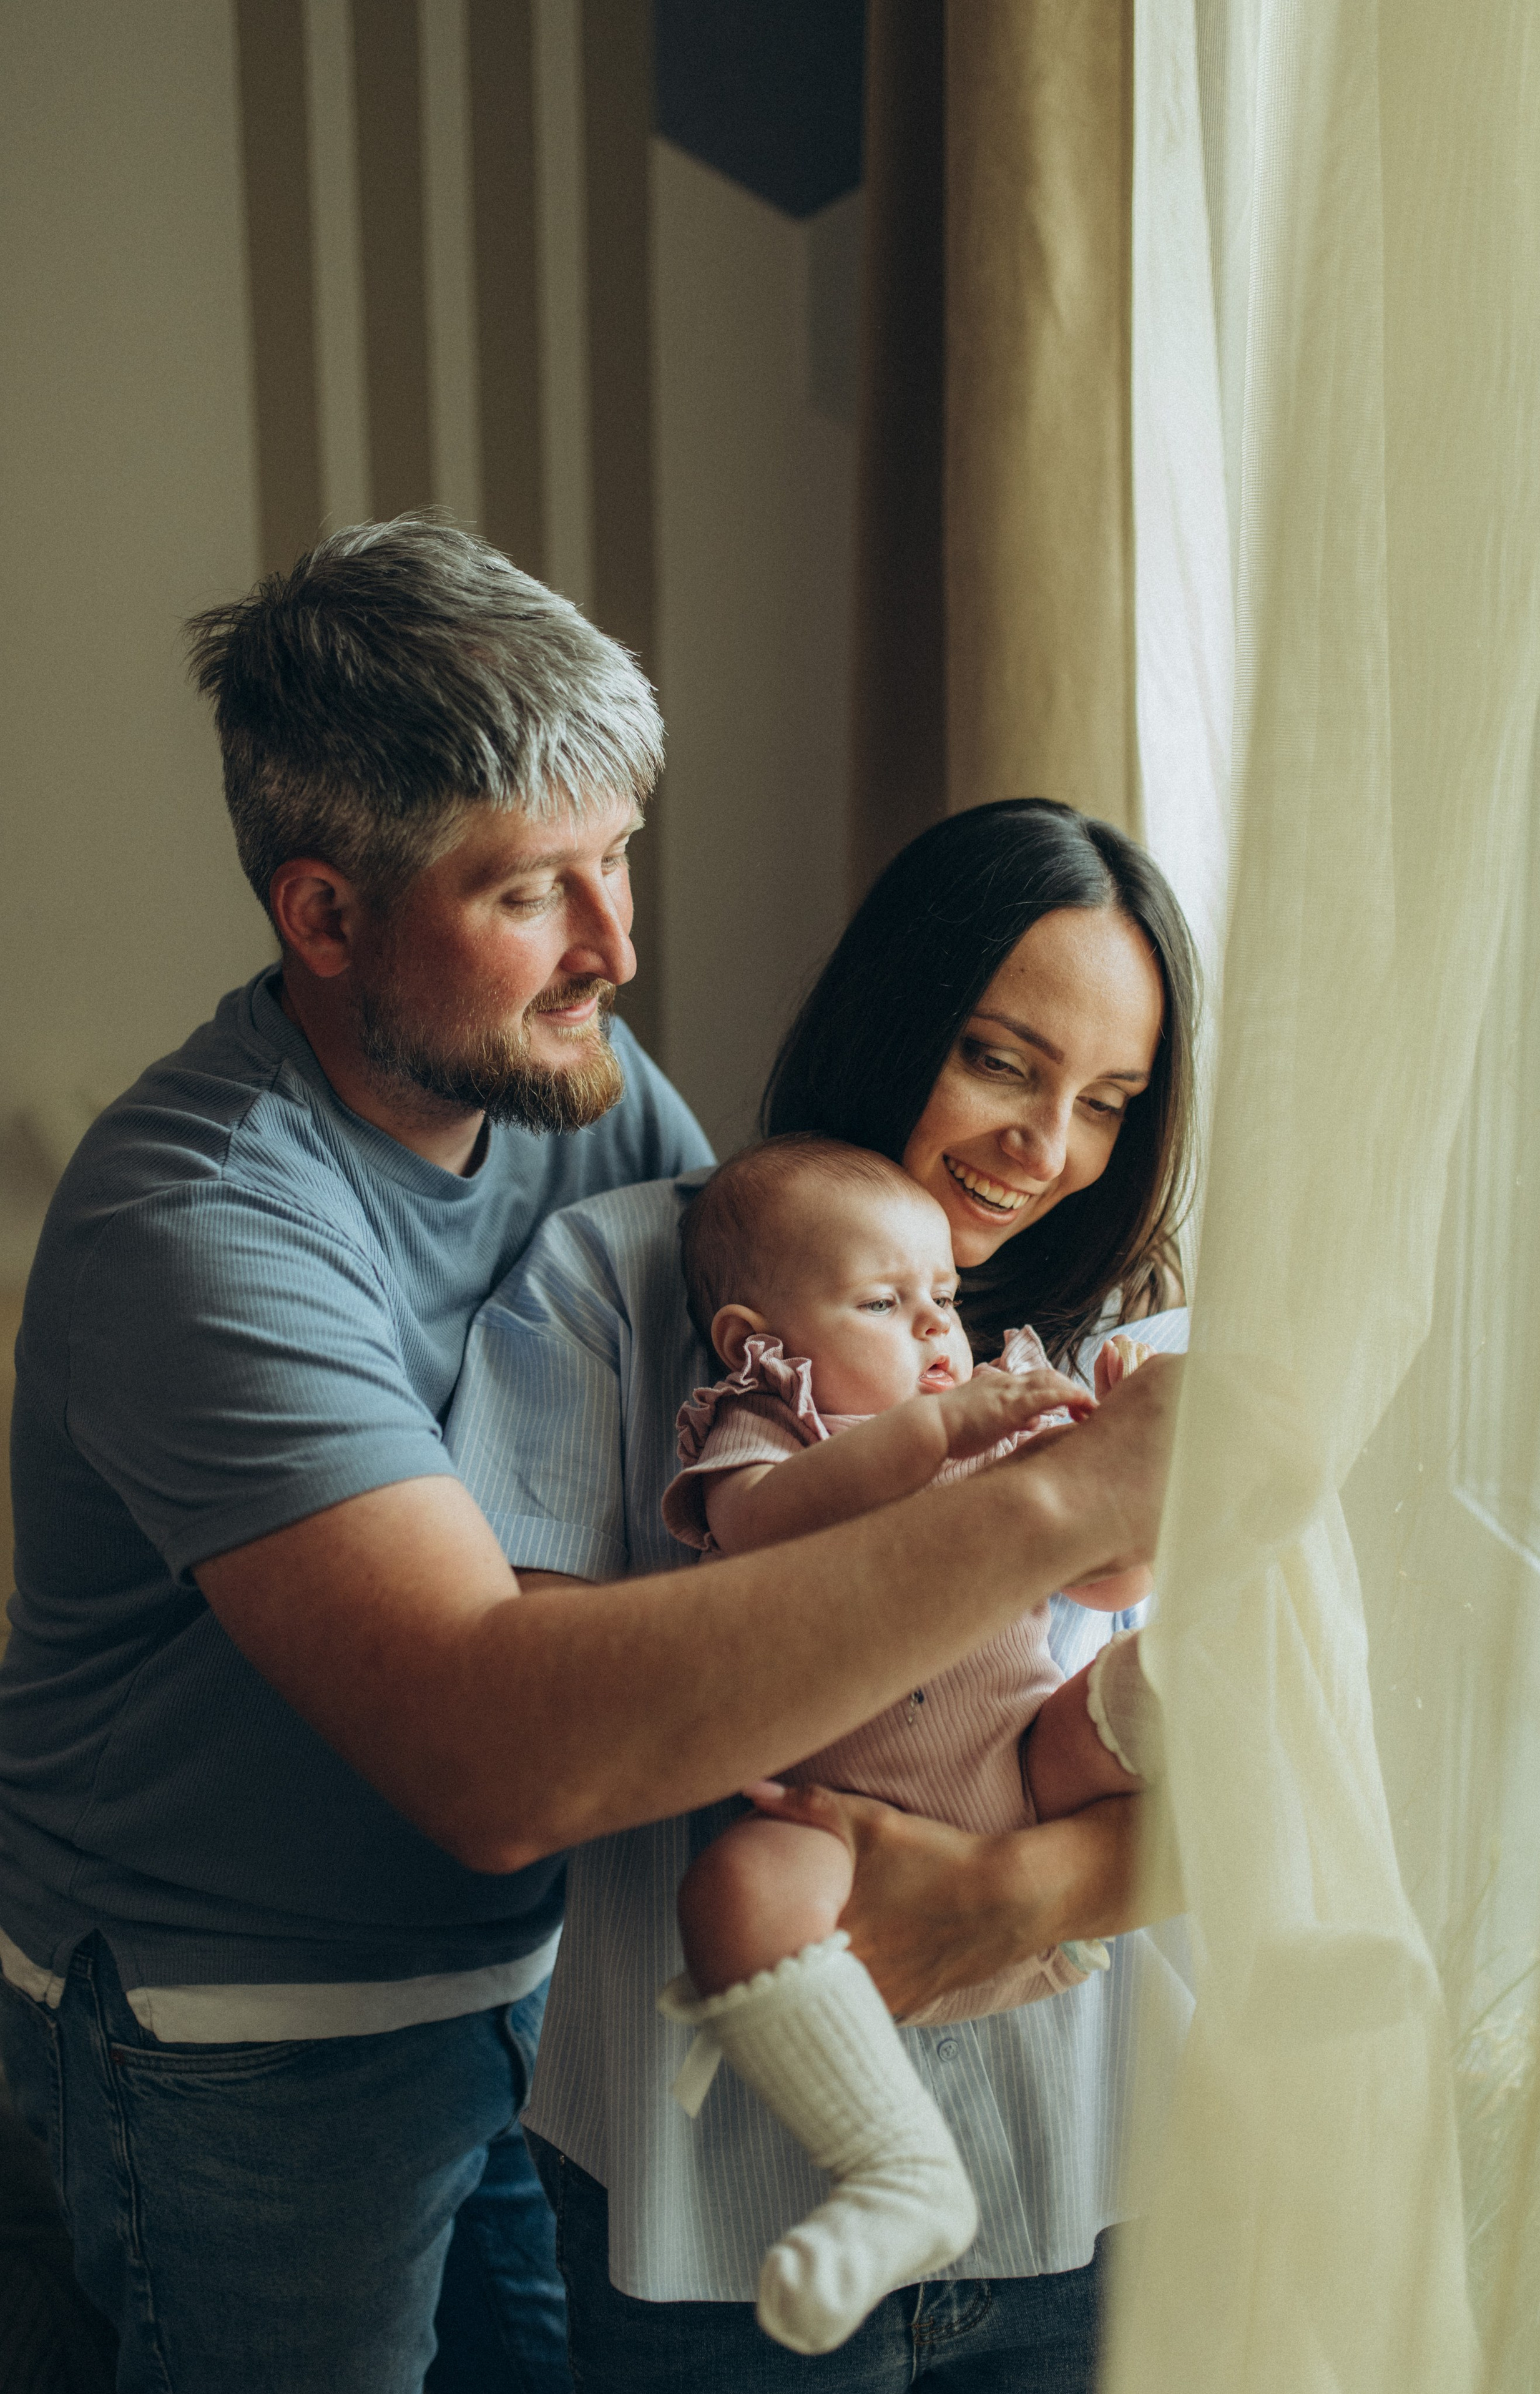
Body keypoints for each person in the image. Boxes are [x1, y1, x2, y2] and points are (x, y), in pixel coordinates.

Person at [0, 523, 1177, 2394]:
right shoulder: (204, 1230)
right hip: (245, 2035)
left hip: (530, 2000)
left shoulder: (590, 1098)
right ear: (324, 918)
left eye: (619, 854)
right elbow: (501, 1744)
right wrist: (1052, 1496)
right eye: (537, 890)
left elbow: (753, 1444)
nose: (621, 946)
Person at [446, 798, 1197, 2392]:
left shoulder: (1130, 1359)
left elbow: (1260, 1789)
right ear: (894, 1013)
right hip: (711, 2220)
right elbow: (532, 1746)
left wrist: (1012, 1900)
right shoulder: (632, 1289)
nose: (1044, 1149)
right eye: (1000, 1061)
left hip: (1078, 2186)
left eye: (1107, 1103)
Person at [655, 1134, 1157, 2355]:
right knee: (732, 1888)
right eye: (886, 1304)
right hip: (839, 1821)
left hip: (1027, 1764)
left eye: (945, 1300)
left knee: (1157, 1671)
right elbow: (768, 1534)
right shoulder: (763, 1436)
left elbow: (1106, 1574)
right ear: (753, 1339)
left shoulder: (987, 1418)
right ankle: (894, 2165)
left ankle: (1235, 1769)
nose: (936, 1331)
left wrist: (1121, 1461)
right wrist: (936, 1430)